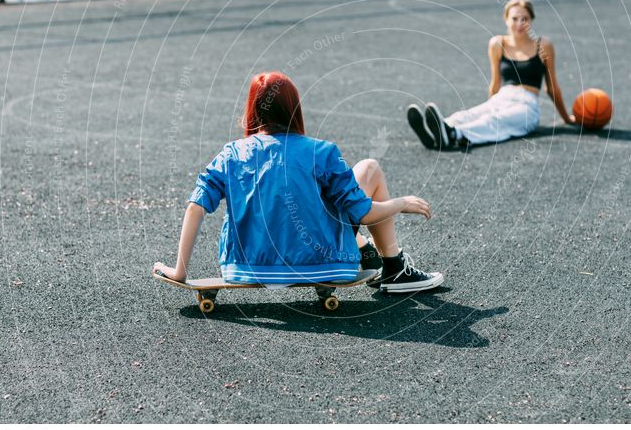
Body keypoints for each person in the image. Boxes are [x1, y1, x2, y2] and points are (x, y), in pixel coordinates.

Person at [153, 71, 443, 294]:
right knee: (368, 169)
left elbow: (195, 207)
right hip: (323, 265)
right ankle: (393, 266)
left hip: (244, 268)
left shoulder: (232, 154)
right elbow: (362, 212)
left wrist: (180, 271)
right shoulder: (321, 152)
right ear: (294, 108)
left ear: (254, 109)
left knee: (308, 199)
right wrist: (401, 203)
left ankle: (364, 247)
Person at [408, 0, 576, 149]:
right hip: (503, 97)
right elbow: (495, 83)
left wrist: (567, 119)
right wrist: (490, 105)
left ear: (531, 20)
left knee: (494, 120)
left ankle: (453, 134)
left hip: (527, 105)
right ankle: (438, 130)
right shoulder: (497, 44)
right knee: (471, 114)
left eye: (524, 19)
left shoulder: (543, 45)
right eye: (514, 19)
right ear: (506, 20)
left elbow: (552, 88)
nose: (519, 24)